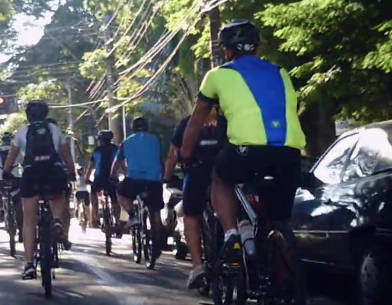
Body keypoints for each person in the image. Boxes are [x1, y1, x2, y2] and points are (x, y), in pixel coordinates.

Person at [180, 19, 307, 286]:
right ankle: (284, 287)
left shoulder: (218, 74)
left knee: (221, 180)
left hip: (246, 150)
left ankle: (231, 235)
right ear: (256, 48)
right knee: (279, 220)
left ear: (227, 50)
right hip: (290, 152)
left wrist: (187, 153)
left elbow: (196, 120)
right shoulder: (280, 71)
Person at [3, 101, 75, 279]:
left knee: (29, 220)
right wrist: (71, 172)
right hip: (53, 171)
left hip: (31, 174)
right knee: (57, 196)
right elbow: (66, 154)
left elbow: (11, 157)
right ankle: (57, 221)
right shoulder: (54, 130)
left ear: (28, 116)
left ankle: (28, 265)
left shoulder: (22, 132)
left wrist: (6, 172)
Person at [164, 105, 223, 288]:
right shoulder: (226, 120)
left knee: (190, 216)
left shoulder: (187, 123)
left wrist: (167, 177)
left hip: (197, 171)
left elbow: (173, 154)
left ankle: (197, 266)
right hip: (224, 171)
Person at [111, 117, 165, 255]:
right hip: (154, 181)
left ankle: (132, 215)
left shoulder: (126, 142)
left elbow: (117, 163)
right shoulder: (155, 141)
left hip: (134, 180)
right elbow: (161, 161)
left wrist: (112, 177)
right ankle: (157, 243)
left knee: (120, 193)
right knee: (156, 210)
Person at [0, 131, 24, 243]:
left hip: (0, 180)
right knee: (18, 203)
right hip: (15, 178)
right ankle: (22, 231)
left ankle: (1, 209)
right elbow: (24, 164)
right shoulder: (17, 151)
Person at [45, 117, 73, 249]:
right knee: (64, 205)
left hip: (36, 178)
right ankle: (64, 234)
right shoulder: (60, 138)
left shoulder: (31, 135)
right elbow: (67, 157)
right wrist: (71, 172)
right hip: (57, 177)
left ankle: (31, 234)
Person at [85, 130, 120, 228]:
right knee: (115, 200)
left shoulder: (97, 151)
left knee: (93, 192)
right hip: (112, 179)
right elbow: (122, 164)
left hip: (99, 179)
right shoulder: (116, 150)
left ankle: (96, 217)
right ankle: (117, 221)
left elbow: (90, 166)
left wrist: (87, 178)